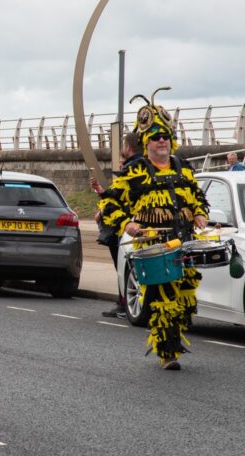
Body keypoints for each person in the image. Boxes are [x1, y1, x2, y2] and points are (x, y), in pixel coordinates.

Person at [98, 88, 209, 370]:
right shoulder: (137, 170)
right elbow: (110, 204)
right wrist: (129, 224)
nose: (162, 141)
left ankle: (172, 342)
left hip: (183, 241)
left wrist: (199, 214)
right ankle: (167, 353)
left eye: (166, 137)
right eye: (156, 137)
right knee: (163, 300)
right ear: (147, 141)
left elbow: (197, 197)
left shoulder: (182, 168)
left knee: (184, 301)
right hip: (153, 246)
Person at [92, 131, 143, 319]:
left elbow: (118, 197)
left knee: (123, 266)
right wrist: (103, 194)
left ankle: (123, 303)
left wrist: (104, 208)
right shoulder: (147, 166)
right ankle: (124, 301)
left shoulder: (132, 169)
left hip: (126, 227)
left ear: (127, 147)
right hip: (137, 224)